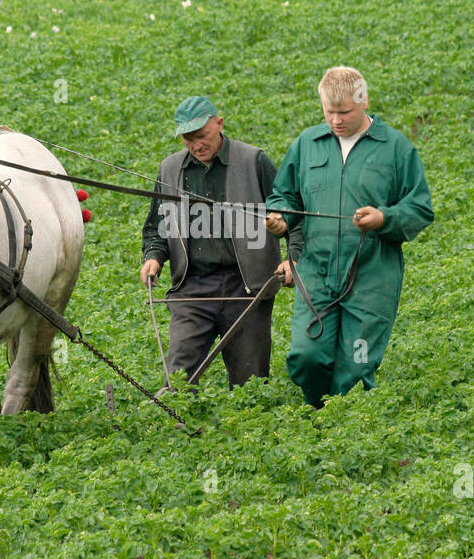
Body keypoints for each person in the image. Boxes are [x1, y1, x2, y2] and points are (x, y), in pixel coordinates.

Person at [265, 67, 434, 407]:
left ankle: (345, 425)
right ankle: (320, 414)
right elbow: (285, 195)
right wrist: (281, 219)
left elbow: (420, 208)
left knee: (356, 365)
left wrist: (384, 218)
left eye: (344, 112)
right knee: (306, 355)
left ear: (364, 101)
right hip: (316, 271)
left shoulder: (396, 148)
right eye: (329, 112)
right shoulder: (307, 145)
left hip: (371, 275)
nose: (337, 121)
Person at [141, 96, 301, 387]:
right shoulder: (170, 170)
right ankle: (176, 425)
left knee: (249, 384)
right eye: (188, 139)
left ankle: (248, 430)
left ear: (219, 124)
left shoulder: (253, 161)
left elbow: (291, 211)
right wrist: (153, 256)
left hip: (247, 286)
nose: (196, 145)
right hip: (192, 288)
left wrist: (293, 257)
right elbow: (157, 227)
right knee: (177, 378)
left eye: (202, 136)